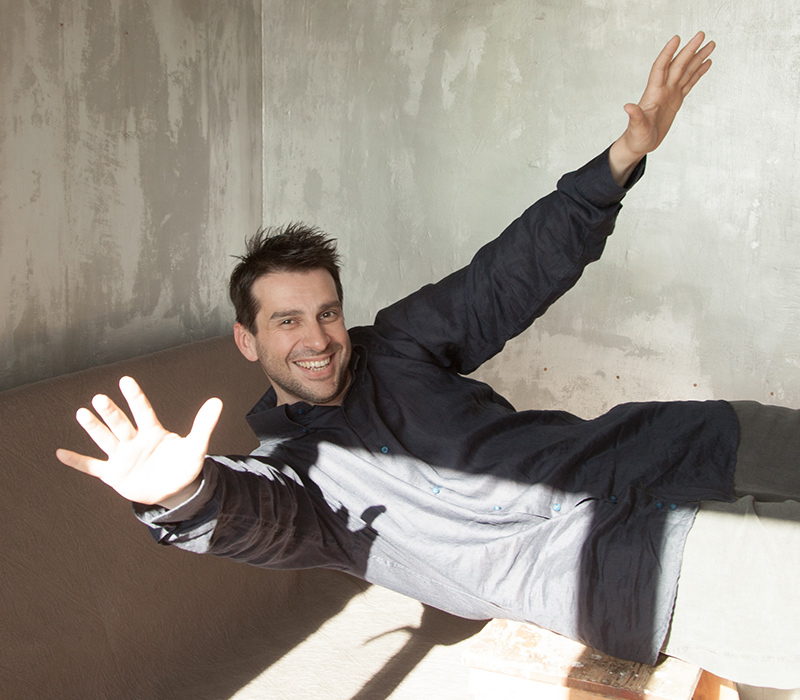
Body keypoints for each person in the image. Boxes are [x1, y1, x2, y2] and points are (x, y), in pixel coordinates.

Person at [56, 33, 800, 692]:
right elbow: (250, 517)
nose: (317, 338)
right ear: (247, 341)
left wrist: (625, 155)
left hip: (680, 443)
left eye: (326, 312)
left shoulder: (398, 345)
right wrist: (180, 496)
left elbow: (508, 276)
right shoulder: (298, 485)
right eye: (286, 321)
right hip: (640, 566)